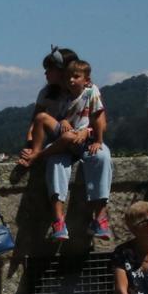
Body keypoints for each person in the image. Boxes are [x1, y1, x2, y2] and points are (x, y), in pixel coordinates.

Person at [44, 58, 112, 242]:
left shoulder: (91, 92)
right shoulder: (61, 95)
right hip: (67, 140)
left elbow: (98, 118)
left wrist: (95, 137)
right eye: (68, 76)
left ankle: (100, 218)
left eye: (75, 76)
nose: (71, 80)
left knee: (102, 157)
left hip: (86, 138)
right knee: (55, 162)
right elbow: (60, 117)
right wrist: (64, 121)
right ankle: (58, 221)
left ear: (86, 78)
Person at [17, 45, 79, 174]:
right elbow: (34, 124)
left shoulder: (82, 92)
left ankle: (36, 155)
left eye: (50, 69)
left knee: (42, 117)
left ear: (63, 71)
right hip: (58, 138)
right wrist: (29, 146)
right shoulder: (46, 93)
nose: (46, 73)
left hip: (77, 137)